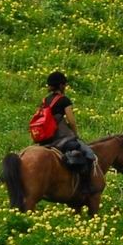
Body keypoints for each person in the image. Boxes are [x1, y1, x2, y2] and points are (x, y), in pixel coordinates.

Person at [31, 71, 94, 199]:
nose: (65, 87)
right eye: (64, 84)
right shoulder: (64, 100)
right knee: (88, 154)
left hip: (44, 140)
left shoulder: (44, 101)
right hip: (61, 139)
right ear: (61, 85)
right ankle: (84, 188)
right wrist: (75, 134)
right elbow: (71, 121)